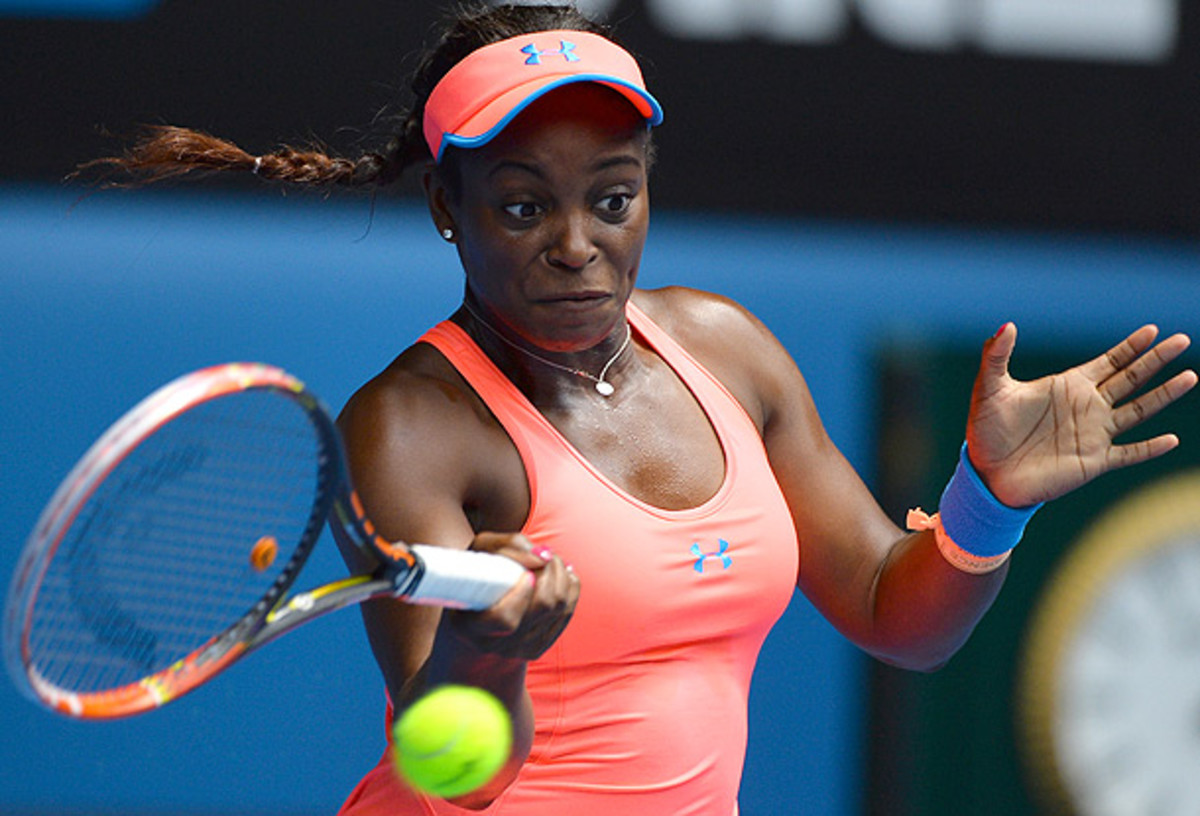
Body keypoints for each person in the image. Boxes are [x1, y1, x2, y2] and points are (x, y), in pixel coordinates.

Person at [84, 3, 1196, 813]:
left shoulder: (725, 347)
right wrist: (488, 654)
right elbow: (445, 768)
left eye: (612, 198)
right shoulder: (414, 426)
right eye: (522, 206)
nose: (577, 245)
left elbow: (892, 614)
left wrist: (988, 501)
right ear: (445, 206)